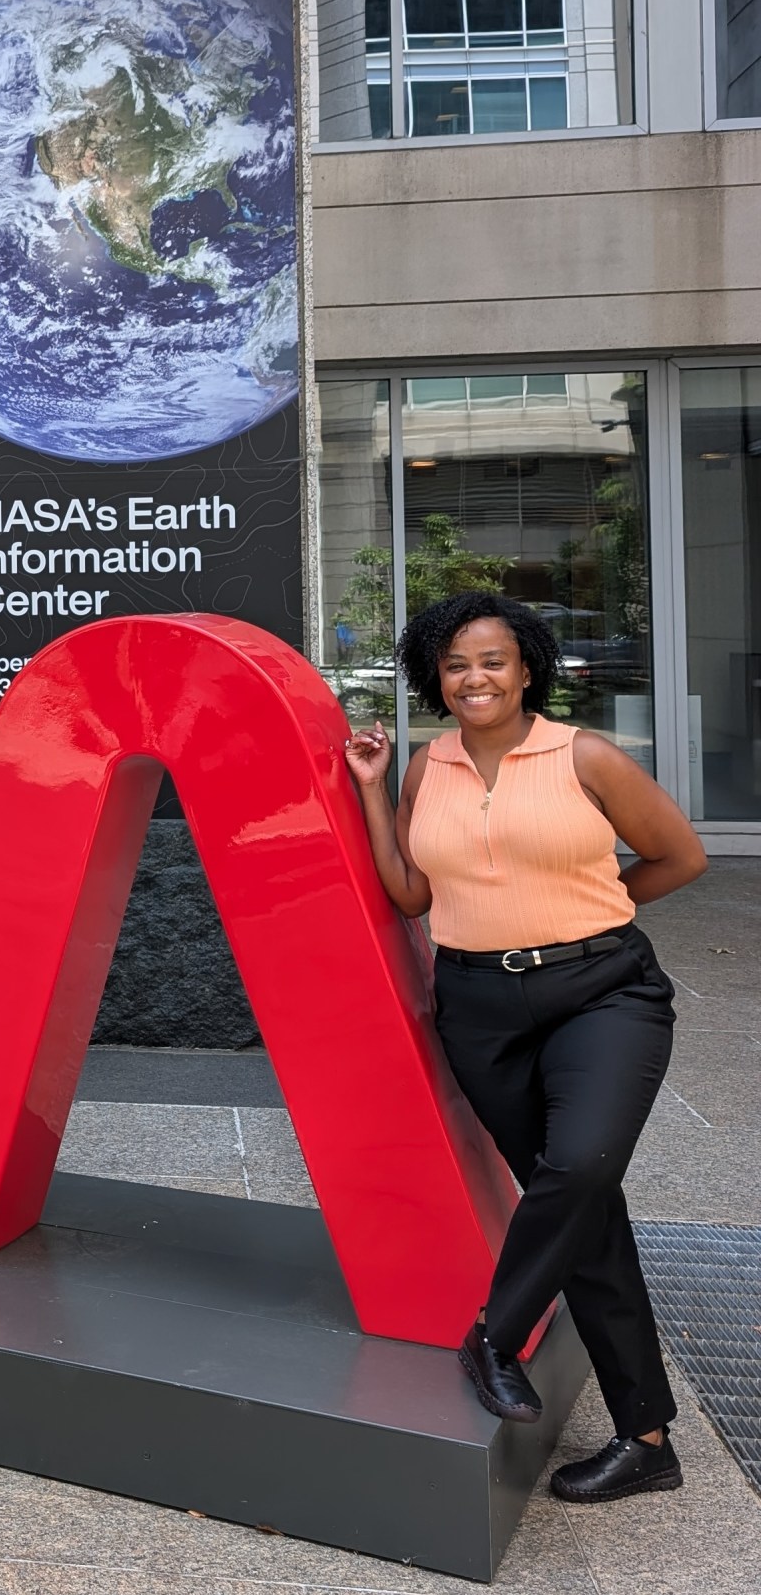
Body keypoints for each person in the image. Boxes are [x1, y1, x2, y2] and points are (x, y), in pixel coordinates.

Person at [344, 591, 707, 1504]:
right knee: (581, 1209)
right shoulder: (431, 767)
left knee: (578, 1166)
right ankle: (646, 1437)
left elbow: (680, 855)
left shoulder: (583, 755)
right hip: (478, 1004)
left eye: (493, 660)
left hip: (603, 991)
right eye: (457, 664)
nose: (475, 678)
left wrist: (590, 916)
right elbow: (413, 896)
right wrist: (372, 794)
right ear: (437, 675)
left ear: (527, 667)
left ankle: (495, 1334)